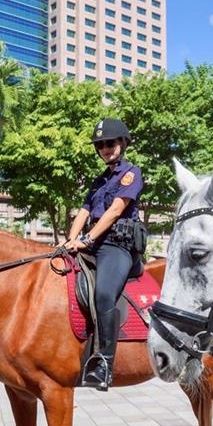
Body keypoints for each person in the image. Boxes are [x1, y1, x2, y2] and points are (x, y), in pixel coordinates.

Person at [62, 118, 147, 391]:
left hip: (117, 247)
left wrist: (86, 238)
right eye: (100, 145)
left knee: (103, 294)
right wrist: (70, 240)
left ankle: (104, 363)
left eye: (110, 143)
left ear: (122, 143)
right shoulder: (99, 181)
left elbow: (114, 211)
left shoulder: (131, 173)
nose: (105, 149)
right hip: (92, 245)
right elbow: (84, 211)